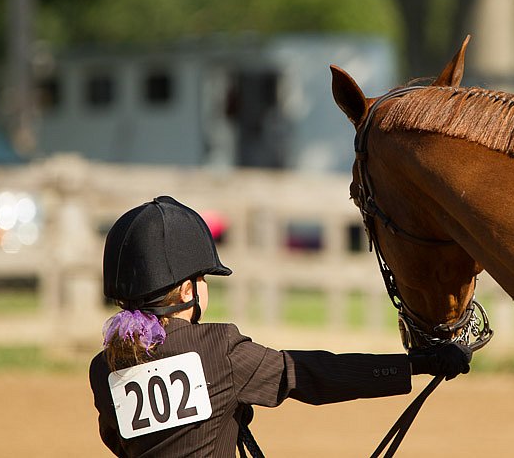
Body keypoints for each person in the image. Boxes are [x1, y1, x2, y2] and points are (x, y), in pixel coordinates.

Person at [89, 196, 472, 457]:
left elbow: (118, 442)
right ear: (188, 289)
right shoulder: (218, 349)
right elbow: (311, 374)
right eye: (204, 279)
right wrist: (417, 364)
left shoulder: (103, 368)